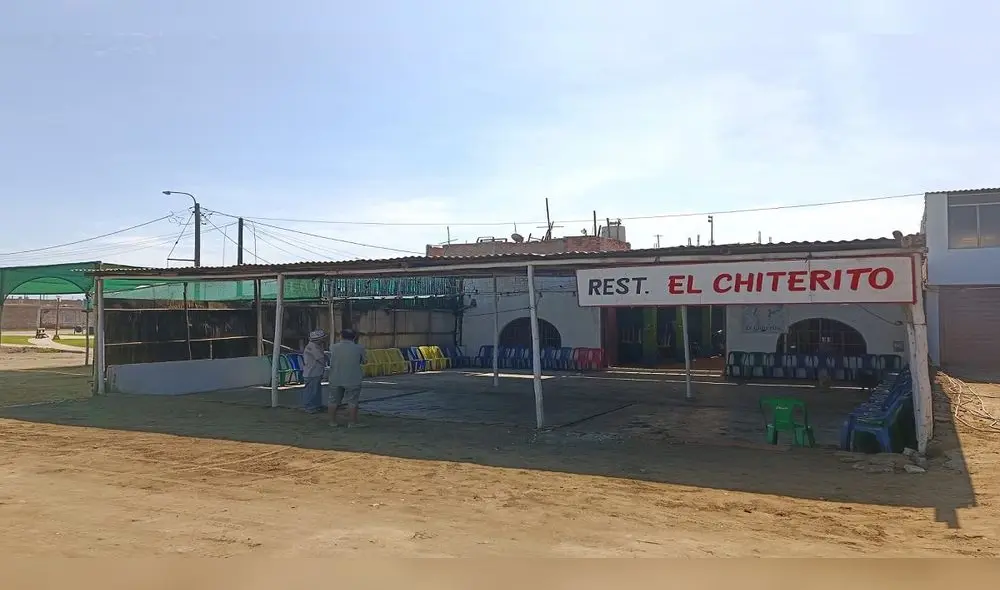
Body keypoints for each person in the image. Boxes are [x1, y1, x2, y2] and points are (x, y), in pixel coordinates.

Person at [328, 328, 367, 427]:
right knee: (352, 401)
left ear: (341, 336)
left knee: (333, 401)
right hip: (352, 378)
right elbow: (365, 361)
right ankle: (352, 422)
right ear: (354, 337)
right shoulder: (359, 348)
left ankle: (332, 421)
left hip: (335, 377)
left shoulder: (333, 347)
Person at [300, 329, 328, 413]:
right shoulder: (313, 347)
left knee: (316, 390)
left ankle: (316, 405)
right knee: (312, 391)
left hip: (315, 372)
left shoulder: (315, 346)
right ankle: (310, 407)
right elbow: (321, 359)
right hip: (312, 373)